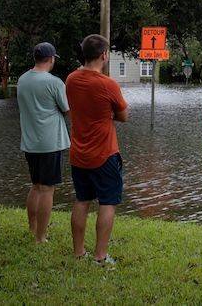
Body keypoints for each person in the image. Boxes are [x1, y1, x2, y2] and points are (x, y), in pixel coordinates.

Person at [66, 34, 128, 264]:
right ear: (104, 55)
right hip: (104, 154)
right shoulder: (107, 84)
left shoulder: (71, 79)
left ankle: (78, 252)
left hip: (78, 153)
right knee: (107, 202)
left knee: (82, 200)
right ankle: (100, 256)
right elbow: (124, 116)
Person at [17, 42, 70, 243]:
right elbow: (67, 110)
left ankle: (32, 228)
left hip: (30, 143)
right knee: (47, 189)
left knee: (36, 186)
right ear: (51, 59)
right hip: (50, 143)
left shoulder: (22, 80)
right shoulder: (54, 82)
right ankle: (41, 237)